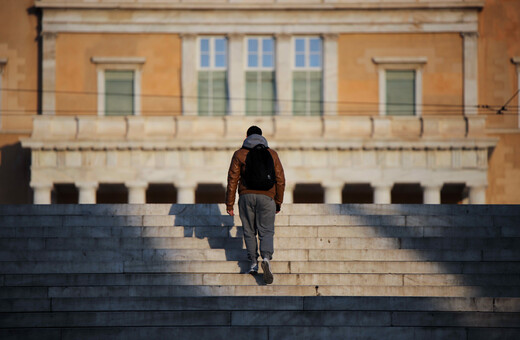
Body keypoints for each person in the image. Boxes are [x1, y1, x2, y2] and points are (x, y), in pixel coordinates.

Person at [226, 126, 285, 284]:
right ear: (261, 136)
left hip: (246, 196)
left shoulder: (240, 153)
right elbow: (280, 179)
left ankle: (253, 263)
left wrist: (229, 204)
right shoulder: (271, 154)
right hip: (267, 197)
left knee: (249, 231)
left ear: (246, 136)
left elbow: (232, 179)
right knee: (266, 231)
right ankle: (266, 258)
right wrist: (278, 202)